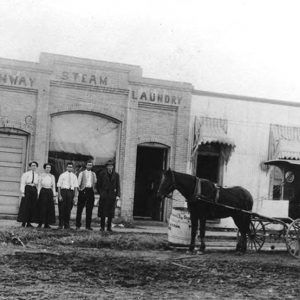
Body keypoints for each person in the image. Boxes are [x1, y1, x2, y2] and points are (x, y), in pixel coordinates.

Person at [97, 160, 120, 231]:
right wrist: (101, 193)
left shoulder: (116, 175)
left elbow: (118, 185)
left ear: (113, 167)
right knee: (103, 212)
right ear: (106, 167)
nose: (110, 167)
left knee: (110, 212)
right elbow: (98, 185)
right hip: (104, 195)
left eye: (111, 166)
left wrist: (118, 195)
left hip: (112, 196)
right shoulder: (102, 174)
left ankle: (109, 227)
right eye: (108, 166)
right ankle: (102, 227)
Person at [76, 160, 97, 230]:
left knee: (89, 209)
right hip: (83, 191)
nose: (89, 166)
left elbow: (95, 182)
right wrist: (80, 190)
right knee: (80, 209)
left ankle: (88, 226)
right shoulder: (82, 173)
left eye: (91, 165)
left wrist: (93, 190)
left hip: (90, 191)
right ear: (86, 165)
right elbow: (78, 183)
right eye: (88, 165)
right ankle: (78, 225)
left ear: (92, 166)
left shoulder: (93, 174)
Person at [57, 162, 78, 229]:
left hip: (70, 192)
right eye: (68, 167)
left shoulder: (74, 176)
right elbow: (59, 186)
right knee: (61, 209)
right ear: (66, 167)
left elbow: (75, 187)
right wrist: (59, 195)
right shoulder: (62, 175)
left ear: (72, 168)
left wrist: (75, 196)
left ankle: (67, 224)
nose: (70, 168)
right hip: (63, 192)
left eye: (71, 167)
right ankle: (60, 224)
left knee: (68, 209)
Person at [17, 161, 39, 227]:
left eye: (35, 166)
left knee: (32, 206)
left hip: (34, 189)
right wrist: (23, 192)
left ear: (36, 167)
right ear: (30, 167)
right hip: (27, 189)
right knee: (25, 206)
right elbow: (23, 183)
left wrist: (37, 193)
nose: (33, 167)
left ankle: (29, 222)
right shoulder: (25, 174)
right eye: (32, 165)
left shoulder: (37, 175)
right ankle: (23, 222)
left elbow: (37, 184)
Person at [37, 163, 56, 229]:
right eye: (47, 167)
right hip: (43, 191)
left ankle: (46, 224)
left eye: (49, 168)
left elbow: (53, 186)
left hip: (49, 192)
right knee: (42, 207)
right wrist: (38, 194)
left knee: (49, 208)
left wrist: (54, 195)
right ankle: (40, 223)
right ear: (45, 168)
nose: (48, 169)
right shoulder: (41, 175)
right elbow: (39, 185)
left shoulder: (52, 176)